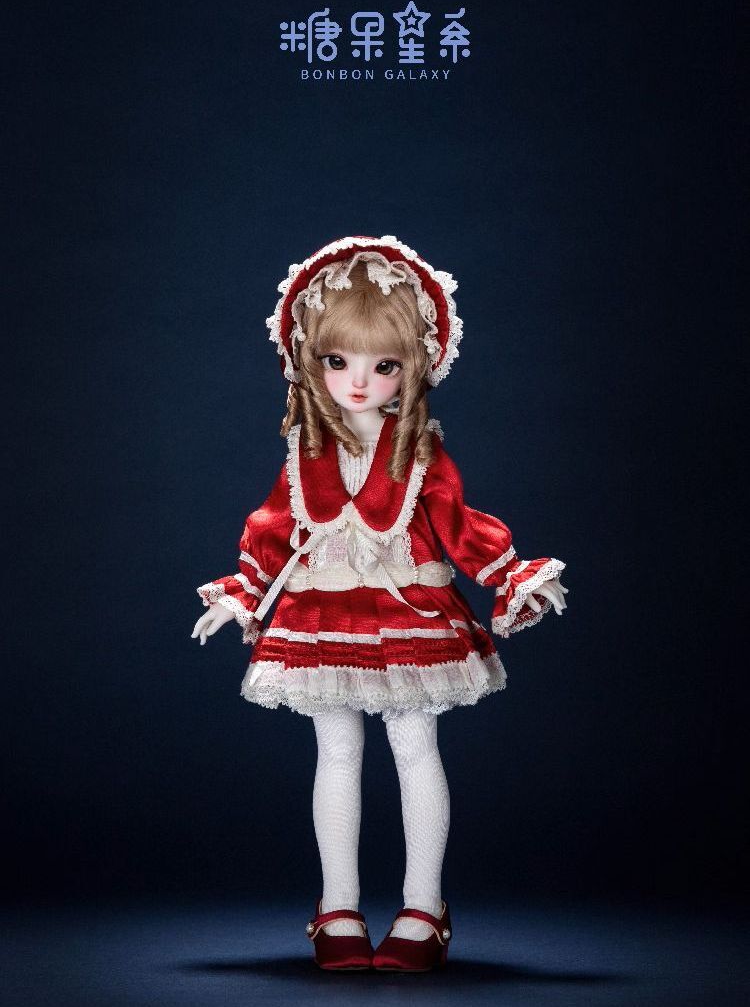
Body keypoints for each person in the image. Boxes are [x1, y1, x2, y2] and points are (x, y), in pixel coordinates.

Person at [191, 234, 568, 971]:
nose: (359, 382)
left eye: (383, 365)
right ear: (308, 359)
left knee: (414, 745)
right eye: (338, 361)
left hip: (407, 614)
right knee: (335, 748)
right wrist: (242, 593)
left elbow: (460, 526)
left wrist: (512, 575)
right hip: (322, 615)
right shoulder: (304, 451)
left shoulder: (419, 451)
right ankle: (337, 906)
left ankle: (424, 906)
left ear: (415, 365)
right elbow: (273, 529)